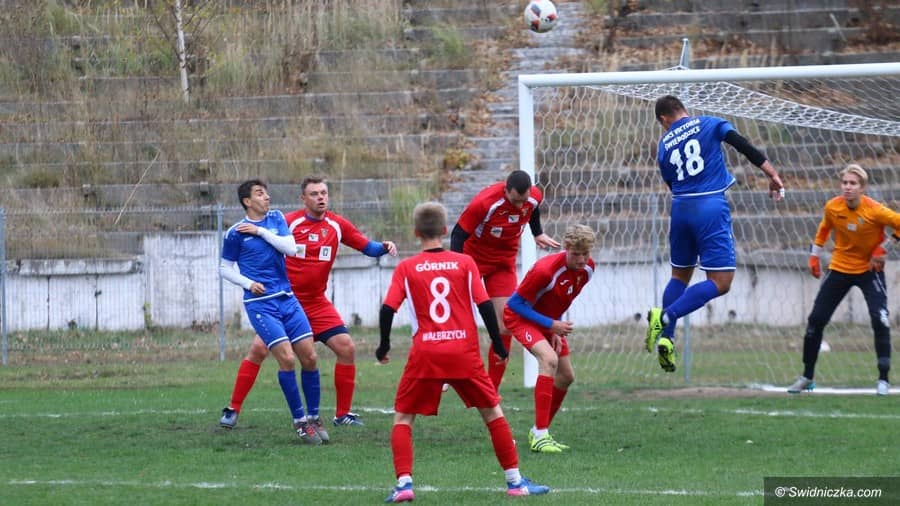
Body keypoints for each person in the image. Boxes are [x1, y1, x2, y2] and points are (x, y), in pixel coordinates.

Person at [377, 201, 550, 502]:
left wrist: (384, 345)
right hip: (464, 352)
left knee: (403, 418)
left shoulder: (406, 267)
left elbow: (387, 309)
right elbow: (485, 306)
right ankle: (515, 482)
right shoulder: (465, 263)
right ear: (445, 230)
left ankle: (404, 484)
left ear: (416, 232)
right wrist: (498, 344)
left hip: (426, 353)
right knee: (492, 412)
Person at [219, 176, 398, 436]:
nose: (320, 197)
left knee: (346, 348)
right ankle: (233, 408)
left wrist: (384, 247)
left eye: (324, 192)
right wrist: (251, 280)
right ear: (303, 199)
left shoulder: (336, 225)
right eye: (314, 194)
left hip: (316, 302)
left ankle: (342, 415)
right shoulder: (287, 221)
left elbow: (366, 246)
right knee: (258, 349)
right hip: (285, 300)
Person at [646, 95, 785, 372]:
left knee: (679, 276)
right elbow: (742, 145)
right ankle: (666, 317)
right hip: (709, 206)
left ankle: (666, 338)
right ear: (683, 109)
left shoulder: (664, 145)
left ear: (664, 119)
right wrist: (772, 174)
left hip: (680, 208)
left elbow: (670, 183)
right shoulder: (710, 123)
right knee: (721, 282)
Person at [218, 179, 323, 445]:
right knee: (286, 359)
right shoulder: (235, 233)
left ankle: (314, 417)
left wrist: (261, 232)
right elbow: (224, 268)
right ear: (247, 201)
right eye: (260, 194)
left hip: (287, 299)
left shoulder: (275, 219)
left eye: (266, 193)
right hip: (261, 304)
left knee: (310, 357)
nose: (267, 197)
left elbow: (290, 249)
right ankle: (300, 422)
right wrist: (248, 283)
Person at [787, 164, 900, 396]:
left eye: (853, 183)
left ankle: (883, 379)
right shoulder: (833, 206)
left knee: (880, 319)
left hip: (869, 270)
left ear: (862, 188)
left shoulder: (875, 210)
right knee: (816, 319)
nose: (847, 187)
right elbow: (823, 230)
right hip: (840, 268)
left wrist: (884, 248)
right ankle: (807, 376)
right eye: (845, 182)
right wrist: (814, 257)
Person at [450, 169, 560, 389]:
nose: (520, 206)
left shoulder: (533, 197)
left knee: (506, 325)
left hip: (503, 263)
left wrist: (537, 232)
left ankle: (491, 391)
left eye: (523, 201)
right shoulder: (485, 203)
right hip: (474, 260)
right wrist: (457, 268)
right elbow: (457, 235)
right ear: (506, 190)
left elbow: (533, 210)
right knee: (459, 320)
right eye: (515, 200)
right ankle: (448, 372)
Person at [503, 224, 595, 453]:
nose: (582, 260)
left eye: (585, 254)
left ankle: (538, 430)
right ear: (566, 248)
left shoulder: (588, 269)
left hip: (547, 322)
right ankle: (541, 436)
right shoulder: (545, 271)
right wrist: (551, 325)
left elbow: (561, 300)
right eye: (576, 254)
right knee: (549, 360)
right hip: (520, 318)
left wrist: (553, 326)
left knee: (566, 376)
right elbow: (514, 304)